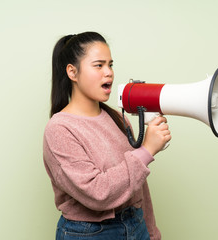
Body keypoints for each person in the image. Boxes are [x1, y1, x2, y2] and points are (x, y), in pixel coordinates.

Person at [43, 31, 171, 240]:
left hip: (135, 225)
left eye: (110, 65)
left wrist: (151, 233)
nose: (109, 72)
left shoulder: (117, 118)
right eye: (99, 65)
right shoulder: (59, 129)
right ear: (72, 72)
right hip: (90, 233)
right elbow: (98, 192)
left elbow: (137, 186)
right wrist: (147, 150)